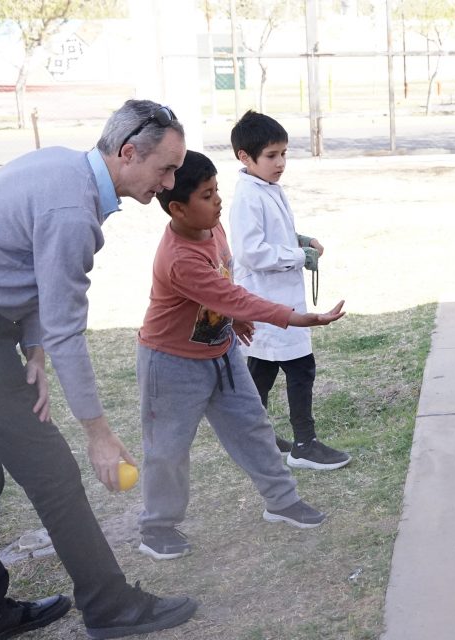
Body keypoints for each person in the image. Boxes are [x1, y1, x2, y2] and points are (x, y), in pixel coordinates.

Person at [0, 99, 197, 638]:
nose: (168, 182)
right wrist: (98, 433)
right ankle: (111, 606)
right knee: (54, 473)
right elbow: (68, 325)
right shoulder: (72, 210)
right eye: (165, 168)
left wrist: (32, 348)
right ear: (127, 152)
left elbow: (23, 267)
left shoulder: (62, 168)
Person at [136, 149, 346, 560]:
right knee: (168, 448)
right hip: (172, 363)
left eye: (217, 191)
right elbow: (229, 293)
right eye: (207, 195)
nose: (218, 202)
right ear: (177, 208)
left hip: (222, 350)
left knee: (253, 427)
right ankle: (156, 527)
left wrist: (233, 322)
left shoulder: (212, 228)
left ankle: (282, 502)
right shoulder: (179, 258)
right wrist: (298, 319)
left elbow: (224, 281)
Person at [226, 110, 351, 470]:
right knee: (300, 369)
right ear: (244, 157)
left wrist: (302, 239)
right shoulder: (248, 196)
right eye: (271, 156)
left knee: (262, 370)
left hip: (277, 299)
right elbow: (251, 251)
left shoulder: (267, 188)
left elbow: (273, 235)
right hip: (268, 300)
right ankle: (304, 444)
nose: (280, 162)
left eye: (283, 154)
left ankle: (254, 438)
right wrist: (299, 254)